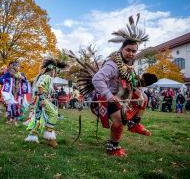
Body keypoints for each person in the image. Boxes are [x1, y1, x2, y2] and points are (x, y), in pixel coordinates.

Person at [66, 14, 157, 157]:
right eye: (128, 50)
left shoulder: (130, 64)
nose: (131, 53)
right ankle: (113, 147)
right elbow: (97, 79)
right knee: (119, 119)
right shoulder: (113, 64)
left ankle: (134, 124)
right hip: (105, 95)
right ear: (122, 49)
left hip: (122, 93)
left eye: (134, 51)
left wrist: (137, 92)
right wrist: (109, 95)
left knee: (144, 97)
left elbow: (131, 81)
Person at [24, 57, 67, 148]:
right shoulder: (47, 77)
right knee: (53, 114)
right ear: (52, 70)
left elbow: (40, 87)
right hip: (40, 99)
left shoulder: (42, 76)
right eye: (56, 71)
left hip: (38, 99)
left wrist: (45, 98)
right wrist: (43, 99)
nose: (56, 74)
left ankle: (32, 136)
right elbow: (40, 86)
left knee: (39, 118)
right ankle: (50, 138)